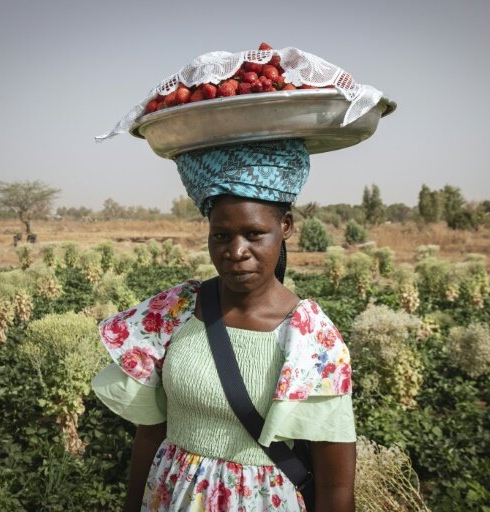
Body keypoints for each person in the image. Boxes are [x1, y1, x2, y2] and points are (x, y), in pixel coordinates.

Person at [92, 139, 356, 511]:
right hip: (170, 498)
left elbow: (336, 484)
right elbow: (150, 434)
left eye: (253, 234)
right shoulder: (177, 309)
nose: (235, 252)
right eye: (221, 236)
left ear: (285, 226)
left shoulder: (311, 338)